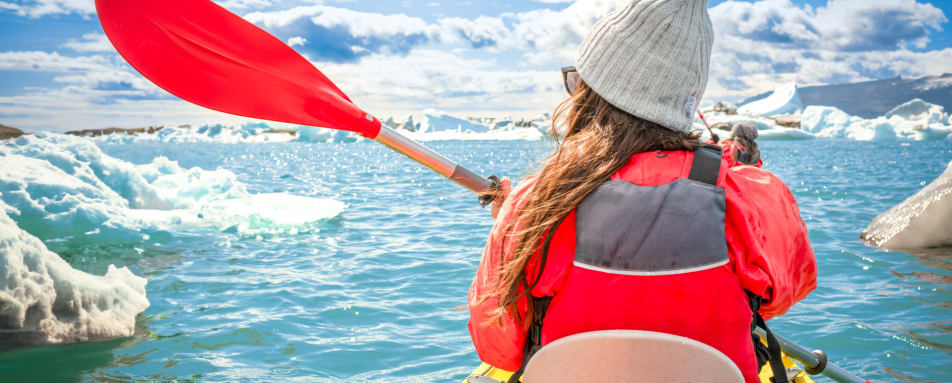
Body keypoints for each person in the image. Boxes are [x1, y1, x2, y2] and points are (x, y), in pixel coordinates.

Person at [467, 1, 817, 382]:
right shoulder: (753, 200)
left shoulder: (537, 205)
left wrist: (510, 228)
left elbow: (497, 346)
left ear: (592, 98)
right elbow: (784, 294)